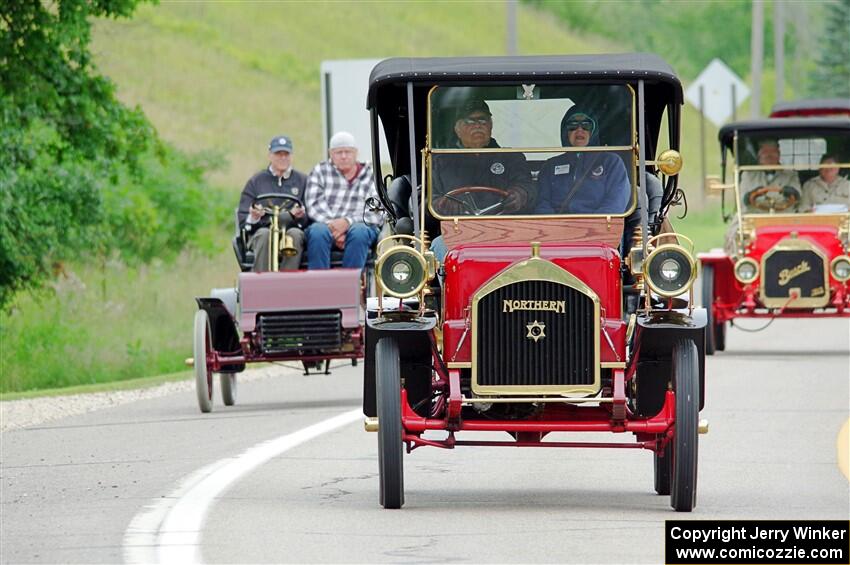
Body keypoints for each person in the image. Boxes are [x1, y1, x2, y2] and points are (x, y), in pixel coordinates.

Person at [429, 98, 534, 262]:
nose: (477, 125)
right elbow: (424, 202)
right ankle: (449, 288)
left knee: (536, 246)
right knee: (440, 245)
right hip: (458, 232)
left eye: (482, 120)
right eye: (470, 121)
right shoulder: (440, 162)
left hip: (506, 230)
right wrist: (443, 204)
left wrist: (520, 194)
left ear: (491, 126)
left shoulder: (511, 157)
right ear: (457, 129)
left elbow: (527, 186)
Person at [304, 132, 383, 269]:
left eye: (348, 152)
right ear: (330, 153)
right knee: (317, 232)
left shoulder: (371, 175)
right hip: (326, 225)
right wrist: (335, 227)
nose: (344, 156)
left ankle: (352, 285)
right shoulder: (320, 171)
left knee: (359, 232)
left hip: (359, 226)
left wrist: (347, 222)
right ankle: (318, 285)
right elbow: (313, 205)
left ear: (356, 153)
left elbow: (376, 211)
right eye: (339, 152)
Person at [535, 107, 631, 215]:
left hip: (598, 228)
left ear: (593, 131)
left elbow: (615, 203)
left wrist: (591, 227)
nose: (579, 129)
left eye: (586, 125)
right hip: (556, 227)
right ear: (565, 131)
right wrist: (554, 226)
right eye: (573, 125)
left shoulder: (611, 162)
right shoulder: (550, 166)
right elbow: (542, 203)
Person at [237, 135, 308, 272]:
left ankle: (287, 282)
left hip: (291, 230)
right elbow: (244, 217)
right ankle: (262, 284)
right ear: (270, 156)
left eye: (286, 154)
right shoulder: (256, 181)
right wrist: (254, 216)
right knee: (264, 235)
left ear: (291, 156)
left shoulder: (302, 180)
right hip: (262, 231)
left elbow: (310, 214)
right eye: (278, 154)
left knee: (295, 235)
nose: (282, 158)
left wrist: (299, 215)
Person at [739, 140, 801, 212]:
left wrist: (791, 192)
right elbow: (742, 200)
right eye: (765, 152)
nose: (769, 155)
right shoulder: (748, 174)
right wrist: (753, 194)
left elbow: (798, 197)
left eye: (773, 152)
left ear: (779, 155)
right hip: (754, 216)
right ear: (759, 156)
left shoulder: (791, 174)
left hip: (782, 216)